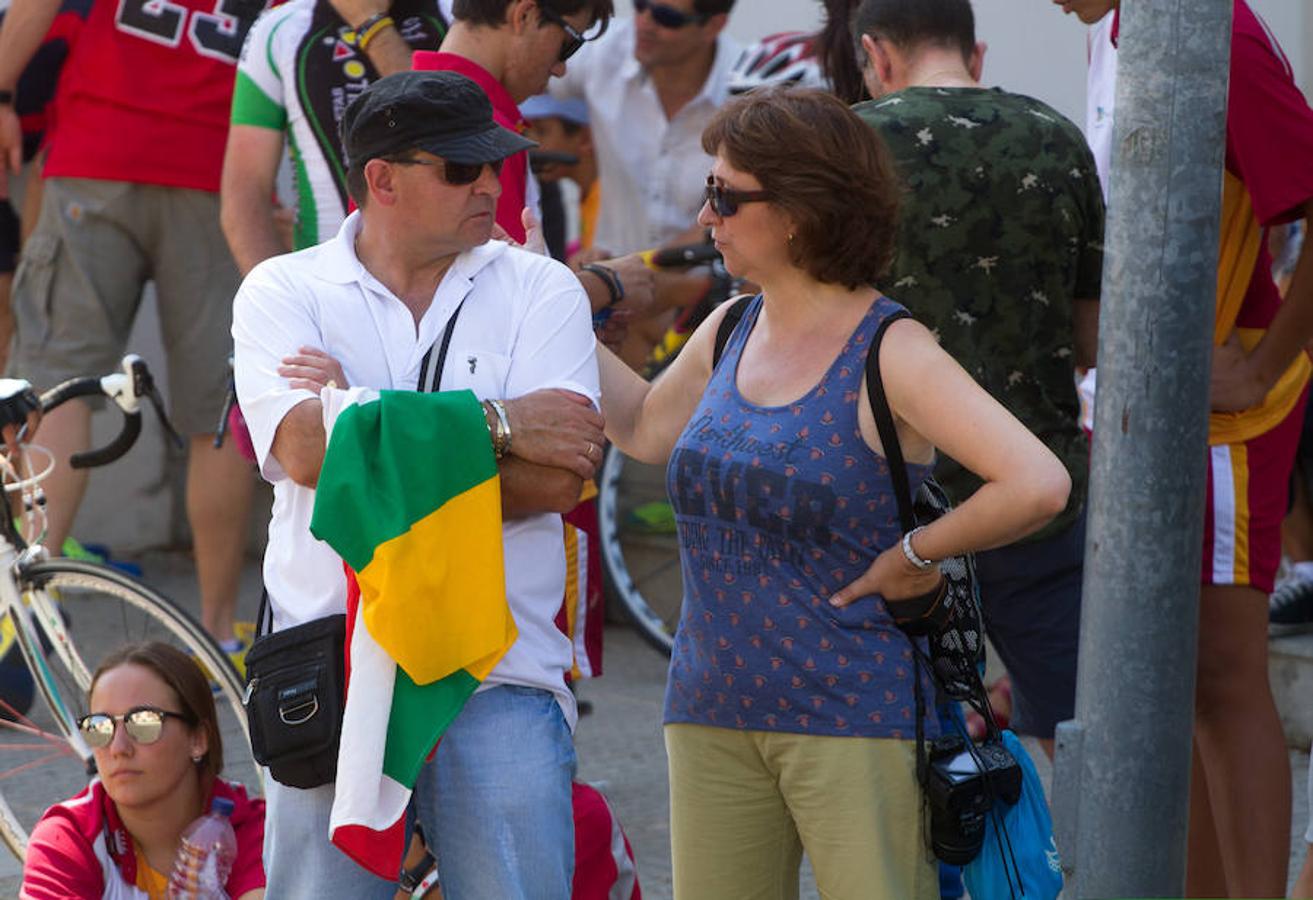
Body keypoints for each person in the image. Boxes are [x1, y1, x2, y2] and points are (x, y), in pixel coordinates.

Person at [594, 86, 1070, 900]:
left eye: (723, 195)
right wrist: (548, 305)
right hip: (708, 702)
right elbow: (639, 429)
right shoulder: (730, 326)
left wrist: (915, 552)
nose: (705, 219)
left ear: (797, 211)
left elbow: (1037, 482)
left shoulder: (891, 349)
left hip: (852, 715)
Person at [233, 69, 605, 899]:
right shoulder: (281, 288)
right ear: (381, 179)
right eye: (460, 169)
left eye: (496, 165)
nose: (489, 184)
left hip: (499, 668)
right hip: (329, 666)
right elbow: (300, 451)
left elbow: (556, 480)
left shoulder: (539, 286)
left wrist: (358, 418)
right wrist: (500, 426)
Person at [1054, 2, 1313, 894]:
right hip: (1143, 404)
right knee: (1173, 690)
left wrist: (1266, 360)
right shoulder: (1114, 28)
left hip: (1220, 418)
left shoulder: (1219, 34)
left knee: (1221, 673)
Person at [851, 0, 1104, 761]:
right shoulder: (1057, 138)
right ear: (976, 53)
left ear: (876, 55)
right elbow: (1092, 339)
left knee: (894, 741)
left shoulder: (852, 144)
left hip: (891, 495)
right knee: (1070, 731)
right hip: (1036, 482)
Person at [0, 0, 269, 667]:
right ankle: (215, 634)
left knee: (56, 385)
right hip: (219, 165)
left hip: (98, 148)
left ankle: (23, 607)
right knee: (216, 411)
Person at [221, 0, 454, 274]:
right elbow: (245, 191)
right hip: (325, 284)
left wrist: (372, 26)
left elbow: (449, 132)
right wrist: (271, 296)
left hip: (442, 281)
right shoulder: (280, 29)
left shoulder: (456, 14)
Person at [20, 642, 266, 899]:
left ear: (198, 739)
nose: (118, 748)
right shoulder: (67, 839)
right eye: (100, 726)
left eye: (143, 723)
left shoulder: (254, 829)